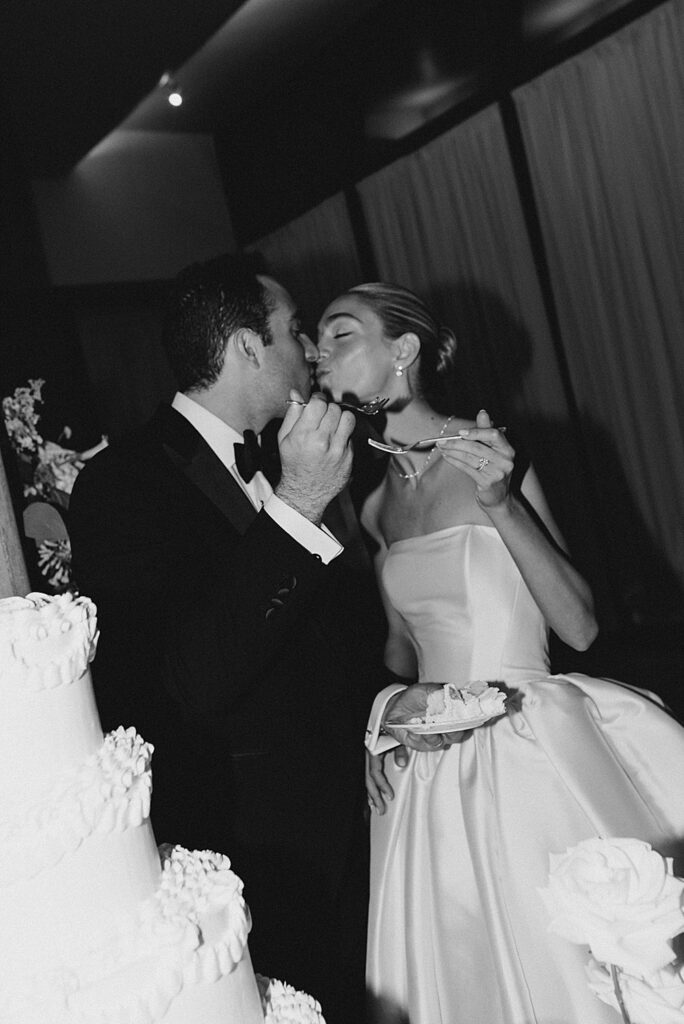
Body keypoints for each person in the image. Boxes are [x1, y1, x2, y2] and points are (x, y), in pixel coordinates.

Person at [316, 281, 684, 1024]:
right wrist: (384, 715)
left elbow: (578, 627)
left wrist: (501, 505)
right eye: (317, 343)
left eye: (339, 336)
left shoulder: (491, 455)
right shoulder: (375, 502)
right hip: (430, 772)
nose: (318, 356)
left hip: (528, 743)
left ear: (404, 352)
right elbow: (397, 653)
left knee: (571, 973)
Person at [69, 254, 386, 1024]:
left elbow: (333, 637)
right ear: (247, 348)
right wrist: (299, 506)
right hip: (260, 850)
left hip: (362, 820)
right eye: (294, 331)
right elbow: (185, 681)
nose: (310, 350)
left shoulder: (297, 452)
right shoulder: (124, 485)